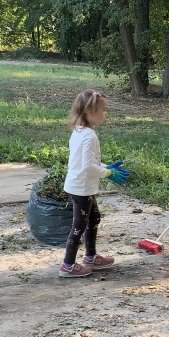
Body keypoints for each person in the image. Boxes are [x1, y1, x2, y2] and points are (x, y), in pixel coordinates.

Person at [58, 90, 128, 278]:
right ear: (90, 111)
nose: (106, 113)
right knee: (79, 226)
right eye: (103, 110)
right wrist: (108, 172)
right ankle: (68, 265)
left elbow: (86, 161)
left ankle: (90, 257)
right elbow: (88, 166)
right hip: (82, 188)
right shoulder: (88, 135)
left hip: (82, 186)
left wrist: (106, 166)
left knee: (94, 218)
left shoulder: (79, 131)